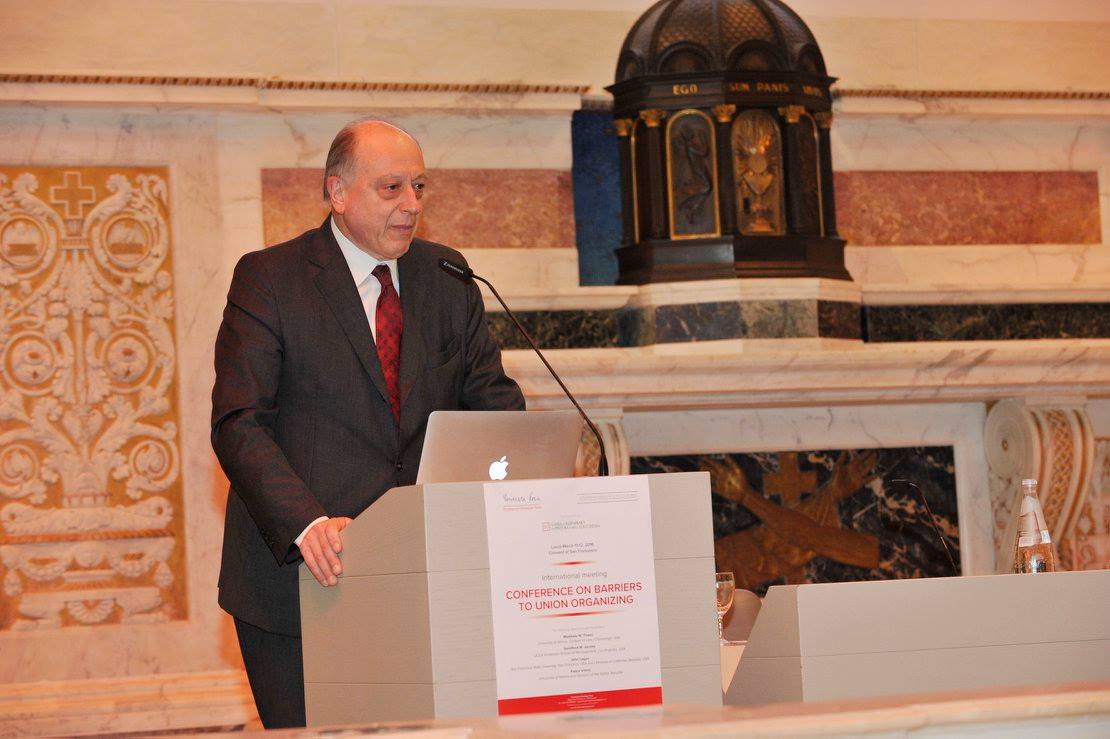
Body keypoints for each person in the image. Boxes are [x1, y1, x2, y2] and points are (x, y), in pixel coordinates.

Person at [211, 120, 525, 728]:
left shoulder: (448, 275)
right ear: (338, 191)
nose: (411, 204)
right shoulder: (270, 279)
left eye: (419, 187)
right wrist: (307, 525)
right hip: (304, 581)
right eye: (391, 188)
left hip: (425, 580)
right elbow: (239, 422)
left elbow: (492, 407)